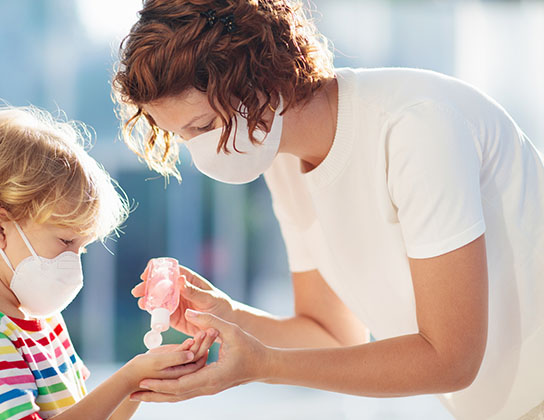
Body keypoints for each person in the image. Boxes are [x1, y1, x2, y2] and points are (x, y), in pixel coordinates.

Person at [111, 1, 544, 419]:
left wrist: (265, 367)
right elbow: (332, 336)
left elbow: (451, 359)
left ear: (259, 75)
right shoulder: (280, 158)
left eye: (203, 126)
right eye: (182, 137)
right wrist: (228, 316)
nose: (199, 152)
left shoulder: (415, 126)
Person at [0, 106, 218, 419]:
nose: (74, 263)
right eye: (65, 242)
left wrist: (142, 380)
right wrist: (127, 377)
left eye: (82, 248)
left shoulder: (43, 320)